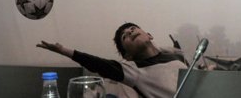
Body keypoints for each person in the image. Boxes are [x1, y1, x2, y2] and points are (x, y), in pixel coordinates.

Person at [38, 22, 188, 98]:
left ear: (149, 35)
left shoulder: (177, 56)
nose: (130, 31)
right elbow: (101, 65)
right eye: (124, 37)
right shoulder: (134, 70)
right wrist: (64, 51)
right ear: (127, 56)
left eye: (133, 28)